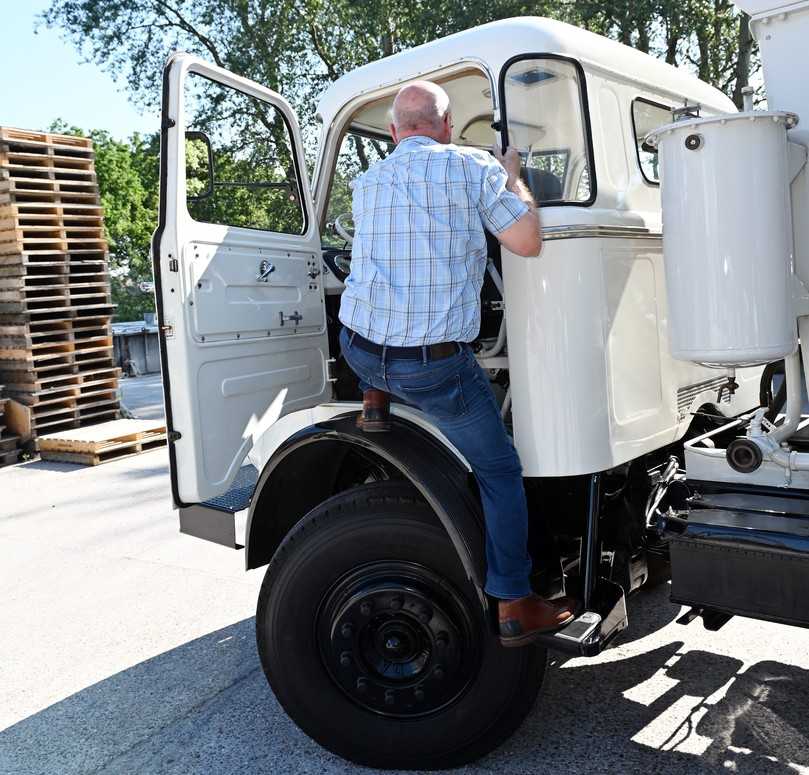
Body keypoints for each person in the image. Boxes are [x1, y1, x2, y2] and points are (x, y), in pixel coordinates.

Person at [338, 80, 574, 646]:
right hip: (433, 368)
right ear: (446, 128)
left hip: (359, 348)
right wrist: (513, 173)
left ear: (395, 132)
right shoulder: (474, 169)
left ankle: (375, 398)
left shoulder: (367, 181)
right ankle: (516, 602)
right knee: (499, 471)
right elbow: (526, 243)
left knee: (370, 332)